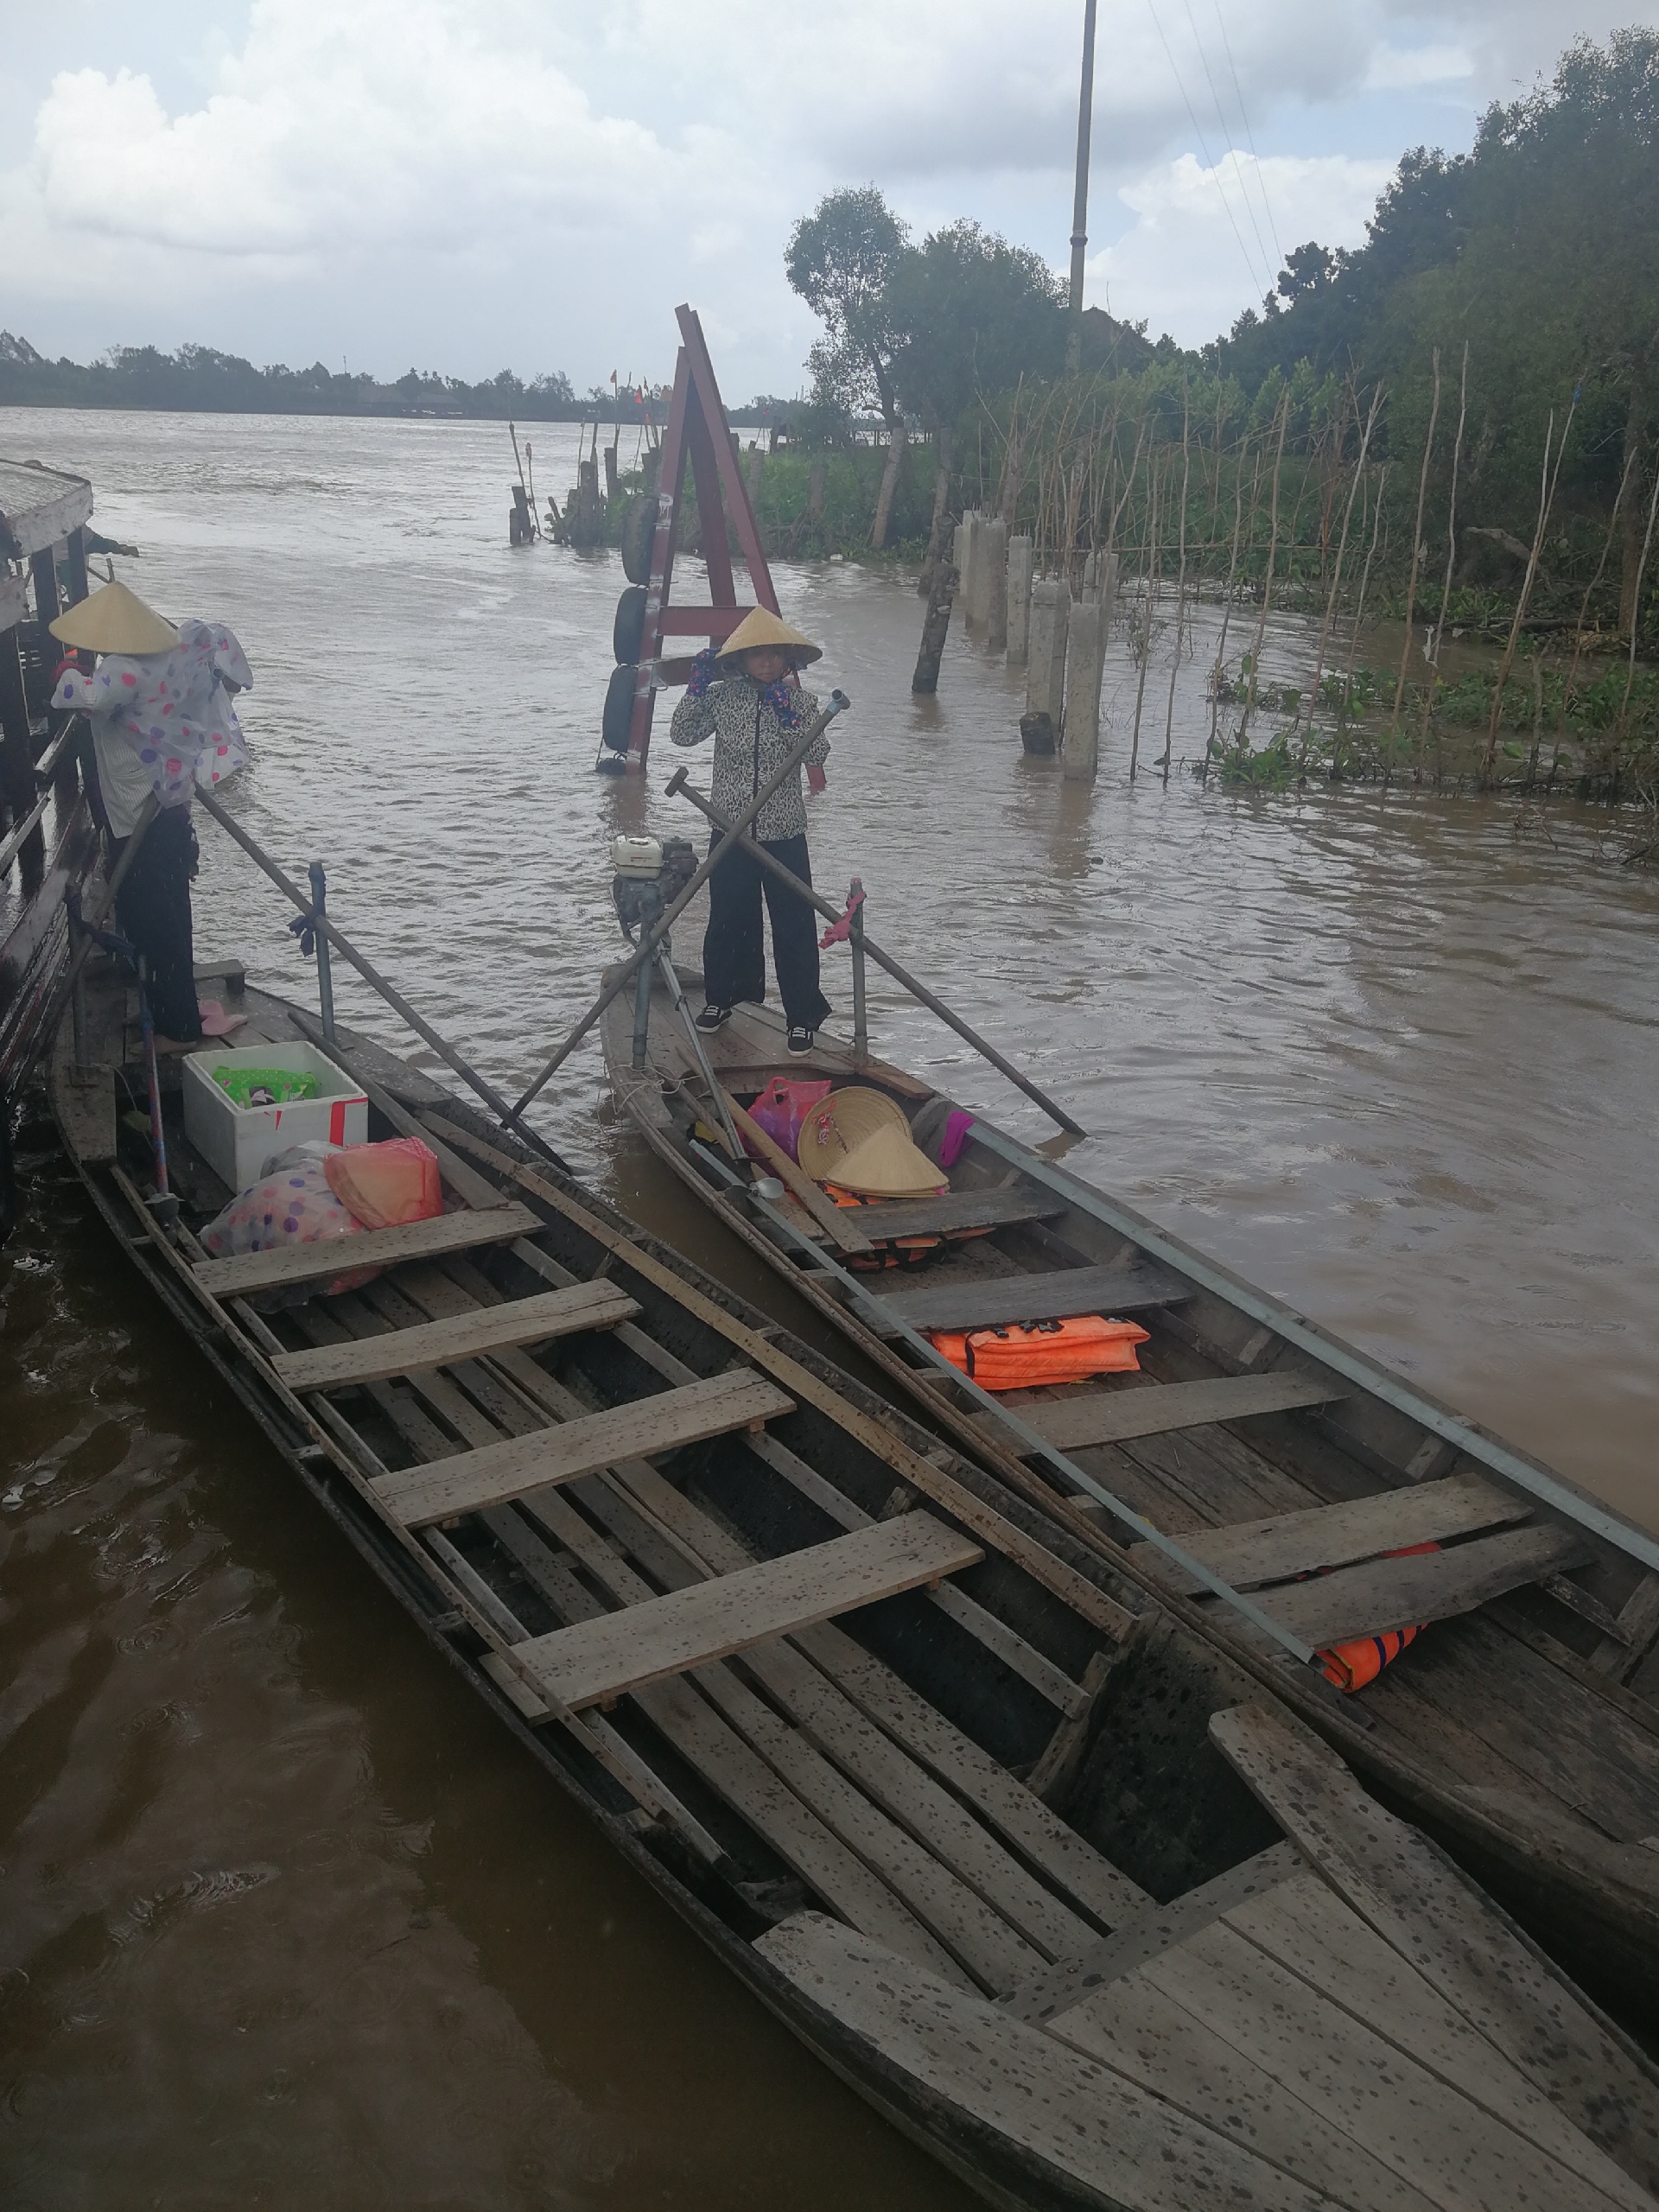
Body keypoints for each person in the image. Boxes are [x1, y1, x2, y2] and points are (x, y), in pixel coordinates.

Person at [49, 580, 251, 1048]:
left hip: (146, 819)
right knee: (159, 921)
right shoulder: (157, 666)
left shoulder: (124, 670)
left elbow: (83, 696)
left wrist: (67, 669)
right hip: (161, 815)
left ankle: (177, 1030)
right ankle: (169, 1009)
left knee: (156, 924)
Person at [669, 606, 831, 1055]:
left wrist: (787, 715)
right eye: (757, 654)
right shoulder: (723, 699)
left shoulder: (800, 703)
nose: (766, 662)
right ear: (740, 659)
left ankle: (802, 1018)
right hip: (730, 829)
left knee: (794, 924)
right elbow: (681, 734)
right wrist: (697, 689)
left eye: (775, 654)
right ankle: (722, 999)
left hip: (785, 832)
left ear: (787, 661)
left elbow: (817, 753)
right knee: (728, 918)